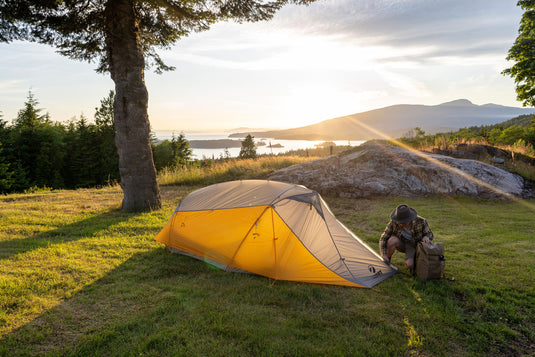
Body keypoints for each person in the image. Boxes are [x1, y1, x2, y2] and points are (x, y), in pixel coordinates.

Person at [380, 204, 433, 273]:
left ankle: (414, 261)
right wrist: (384, 255)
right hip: (401, 243)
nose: (401, 223)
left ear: (410, 218)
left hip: (414, 245)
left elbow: (429, 234)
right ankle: (387, 262)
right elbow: (384, 238)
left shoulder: (421, 221)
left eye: (404, 222)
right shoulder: (394, 222)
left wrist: (426, 237)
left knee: (410, 264)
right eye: (400, 221)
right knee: (392, 240)